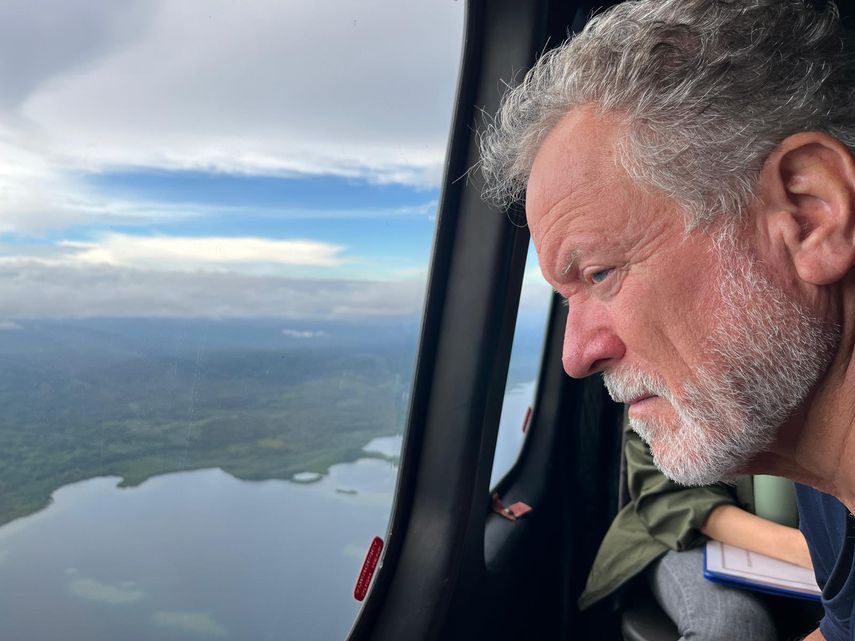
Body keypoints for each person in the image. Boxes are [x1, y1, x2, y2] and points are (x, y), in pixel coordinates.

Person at [478, 1, 855, 640]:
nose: (576, 356)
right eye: (567, 298)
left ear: (808, 214)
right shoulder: (828, 494)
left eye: (600, 273)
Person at [579, 422, 815, 641]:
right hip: (687, 531)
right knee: (730, 624)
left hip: (821, 553)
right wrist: (798, 548)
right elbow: (664, 483)